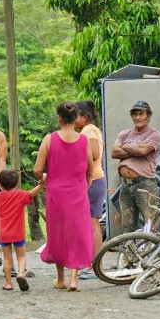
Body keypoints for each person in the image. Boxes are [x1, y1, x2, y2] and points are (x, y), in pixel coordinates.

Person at [33, 101, 94, 292]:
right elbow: (90, 171)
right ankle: (74, 279)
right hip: (78, 193)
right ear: (76, 119)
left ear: (59, 118)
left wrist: (44, 180)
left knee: (58, 234)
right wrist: (83, 186)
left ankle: (60, 279)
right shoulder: (84, 141)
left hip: (56, 194)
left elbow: (37, 169)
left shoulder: (49, 139)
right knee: (77, 233)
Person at [0, 169, 46, 291]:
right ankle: (21, 274)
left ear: (0, 183)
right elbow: (32, 193)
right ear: (16, 183)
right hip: (18, 232)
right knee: (21, 256)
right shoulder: (20, 194)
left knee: (7, 258)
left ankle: (8, 283)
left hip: (4, 233)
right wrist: (41, 184)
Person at [111, 101, 160, 234]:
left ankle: (154, 254)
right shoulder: (124, 133)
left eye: (141, 114)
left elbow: (142, 151)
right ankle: (128, 255)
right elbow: (114, 152)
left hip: (145, 185)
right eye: (135, 114)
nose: (137, 117)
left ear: (148, 116)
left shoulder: (154, 135)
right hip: (125, 186)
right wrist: (136, 148)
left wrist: (124, 147)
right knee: (127, 226)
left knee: (150, 225)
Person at [74, 100, 107, 279]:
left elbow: (93, 153)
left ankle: (96, 264)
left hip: (92, 179)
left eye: (76, 116)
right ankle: (91, 263)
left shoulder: (88, 130)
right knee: (89, 222)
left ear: (84, 117)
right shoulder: (90, 130)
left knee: (92, 222)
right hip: (95, 179)